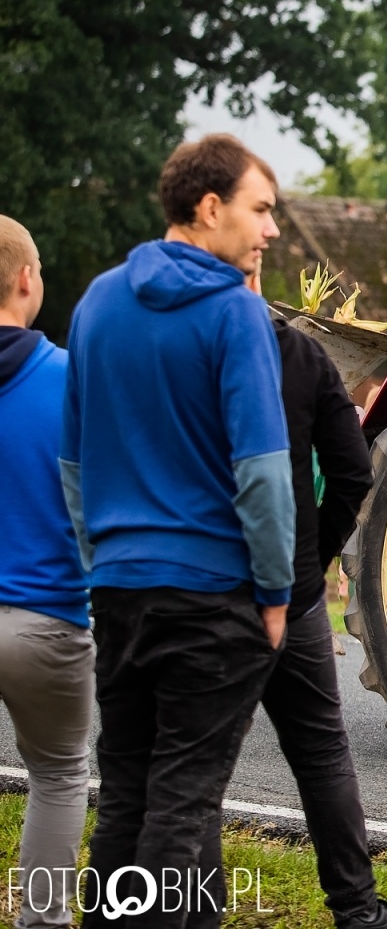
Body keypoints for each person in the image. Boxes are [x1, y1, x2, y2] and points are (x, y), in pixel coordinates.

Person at [63, 134, 296, 928]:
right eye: (260, 210)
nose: (269, 231)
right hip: (212, 593)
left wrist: (100, 562)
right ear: (210, 208)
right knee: (182, 808)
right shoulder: (234, 311)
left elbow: (73, 461)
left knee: (126, 793)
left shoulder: (96, 301)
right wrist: (274, 593)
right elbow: (263, 472)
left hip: (120, 587)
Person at [243, 273, 387, 929]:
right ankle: (356, 909)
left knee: (184, 768)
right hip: (286, 586)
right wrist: (304, 567)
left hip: (206, 580)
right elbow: (350, 474)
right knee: (321, 751)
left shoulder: (139, 343)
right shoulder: (298, 354)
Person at [0, 217, 94, 929]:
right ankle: (41, 921)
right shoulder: (69, 381)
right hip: (48, 620)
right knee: (58, 776)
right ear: (27, 279)